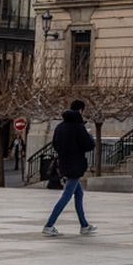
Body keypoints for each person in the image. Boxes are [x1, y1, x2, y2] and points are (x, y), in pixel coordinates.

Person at [43, 100, 97, 237]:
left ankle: (84, 225)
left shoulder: (60, 127)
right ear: (80, 110)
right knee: (66, 195)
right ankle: (49, 225)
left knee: (79, 193)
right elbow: (89, 145)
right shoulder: (78, 127)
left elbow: (55, 145)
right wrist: (89, 135)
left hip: (64, 163)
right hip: (75, 165)